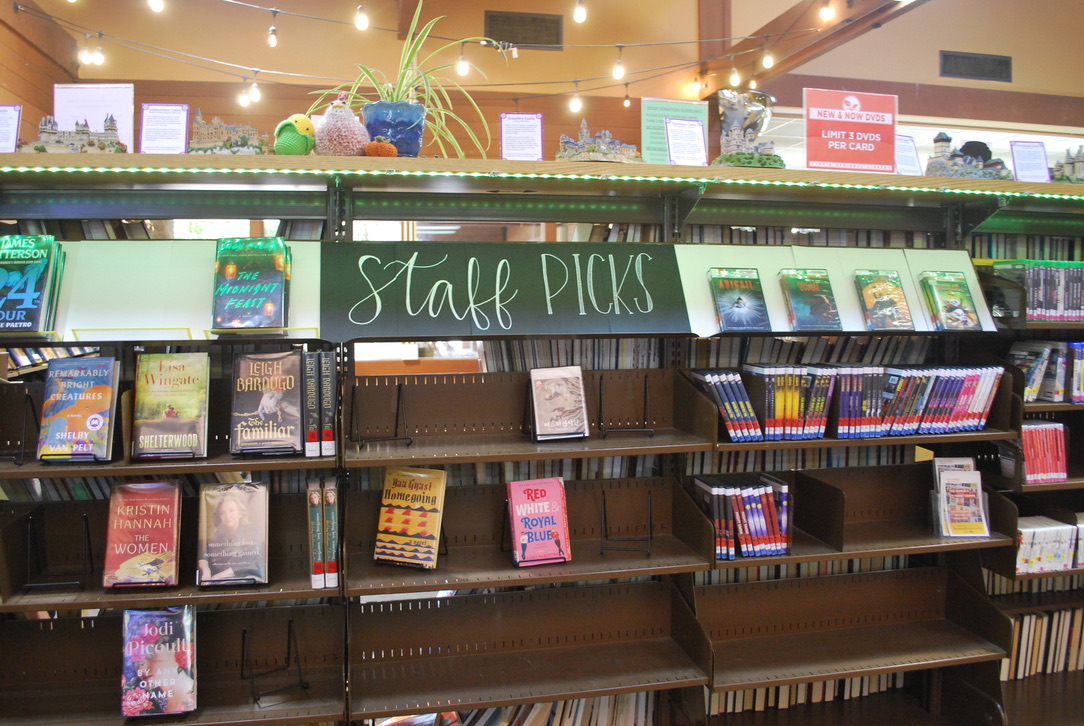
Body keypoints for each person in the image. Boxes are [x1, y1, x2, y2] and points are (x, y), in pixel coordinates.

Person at [198, 490, 266, 584]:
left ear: (240, 513)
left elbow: (249, 560)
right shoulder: (219, 534)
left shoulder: (252, 531)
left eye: (232, 511)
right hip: (220, 578)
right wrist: (206, 572)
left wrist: (216, 577)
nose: (227, 516)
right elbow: (204, 555)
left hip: (248, 577)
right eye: (223, 513)